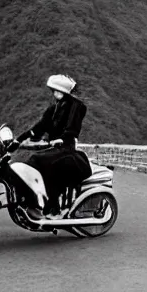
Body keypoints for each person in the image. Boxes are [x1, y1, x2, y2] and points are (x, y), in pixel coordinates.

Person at [17, 74, 92, 219]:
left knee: (36, 159)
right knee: (29, 162)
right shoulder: (53, 108)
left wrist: (61, 139)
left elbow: (72, 129)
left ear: (64, 91)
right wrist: (19, 139)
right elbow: (39, 127)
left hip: (66, 148)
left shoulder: (76, 106)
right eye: (53, 91)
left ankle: (49, 205)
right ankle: (36, 201)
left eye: (57, 90)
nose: (54, 93)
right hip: (54, 148)